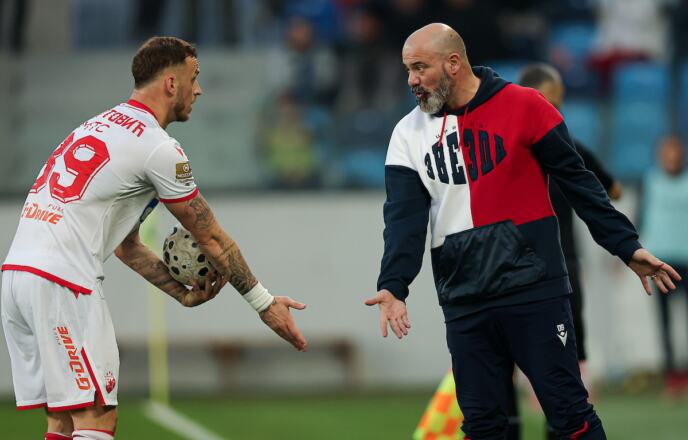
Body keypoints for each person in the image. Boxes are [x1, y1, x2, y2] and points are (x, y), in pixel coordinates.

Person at [365, 23, 681, 440]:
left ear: (453, 63)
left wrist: (626, 246)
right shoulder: (406, 135)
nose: (411, 80)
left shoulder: (527, 105)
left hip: (534, 290)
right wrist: (394, 284)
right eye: (408, 69)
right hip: (465, 300)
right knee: (483, 427)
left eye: (420, 67)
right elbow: (402, 219)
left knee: (570, 417)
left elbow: (579, 182)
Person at [1, 36, 308, 440]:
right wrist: (263, 303)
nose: (199, 89)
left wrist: (179, 293)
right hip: (62, 282)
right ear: (170, 83)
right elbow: (211, 236)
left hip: (17, 276)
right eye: (194, 78)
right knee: (97, 419)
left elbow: (126, 246)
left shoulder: (97, 125)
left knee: (64, 420)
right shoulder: (157, 147)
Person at [641, 135, 688, 395]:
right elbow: (640, 219)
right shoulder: (651, 182)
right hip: (661, 263)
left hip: (686, 259)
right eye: (666, 153)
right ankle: (672, 375)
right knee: (665, 321)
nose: (670, 158)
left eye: (674, 153)